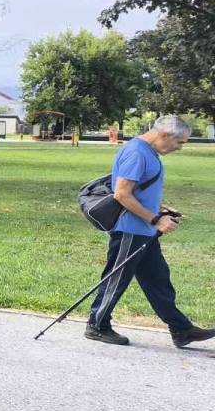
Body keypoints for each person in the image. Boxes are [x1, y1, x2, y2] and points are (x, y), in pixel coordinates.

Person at [86, 115, 215, 348]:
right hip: (130, 230)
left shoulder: (148, 152)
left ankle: (182, 330)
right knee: (117, 278)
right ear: (164, 135)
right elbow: (122, 194)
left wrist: (163, 209)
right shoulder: (136, 152)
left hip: (143, 229)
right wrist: (156, 219)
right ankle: (97, 326)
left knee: (158, 280)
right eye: (180, 142)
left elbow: (140, 191)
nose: (180, 148)